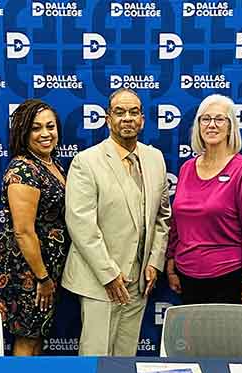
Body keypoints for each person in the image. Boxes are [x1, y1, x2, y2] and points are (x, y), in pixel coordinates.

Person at [63, 88, 171, 356]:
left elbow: (162, 216)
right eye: (119, 112)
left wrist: (154, 262)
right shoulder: (86, 162)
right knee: (96, 358)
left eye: (134, 112)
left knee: (125, 360)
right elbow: (81, 226)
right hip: (100, 281)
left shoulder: (154, 158)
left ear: (143, 120)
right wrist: (109, 274)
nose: (127, 118)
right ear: (107, 119)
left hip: (139, 281)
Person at [165, 94, 242, 305]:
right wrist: (171, 261)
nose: (211, 125)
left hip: (228, 278)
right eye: (205, 119)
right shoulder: (186, 168)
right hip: (187, 277)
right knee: (194, 339)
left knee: (226, 339)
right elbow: (177, 222)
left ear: (231, 127)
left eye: (219, 119)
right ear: (198, 126)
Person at [0, 100, 70, 356]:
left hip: (48, 270)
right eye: (36, 128)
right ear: (23, 132)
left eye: (50, 126)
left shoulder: (53, 164)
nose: (45, 134)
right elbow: (23, 231)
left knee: (38, 335)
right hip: (28, 274)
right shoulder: (23, 170)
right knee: (27, 337)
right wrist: (42, 278)